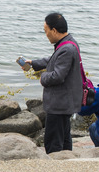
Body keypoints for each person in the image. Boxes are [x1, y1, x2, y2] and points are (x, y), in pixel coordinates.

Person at [21, 13, 84, 154]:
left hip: (59, 104)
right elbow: (54, 59)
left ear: (54, 30)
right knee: (64, 137)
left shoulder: (66, 49)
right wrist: (34, 63)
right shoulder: (68, 43)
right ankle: (66, 163)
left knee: (53, 142)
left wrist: (43, 77)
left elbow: (58, 76)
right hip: (64, 102)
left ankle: (55, 168)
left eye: (46, 31)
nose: (46, 34)